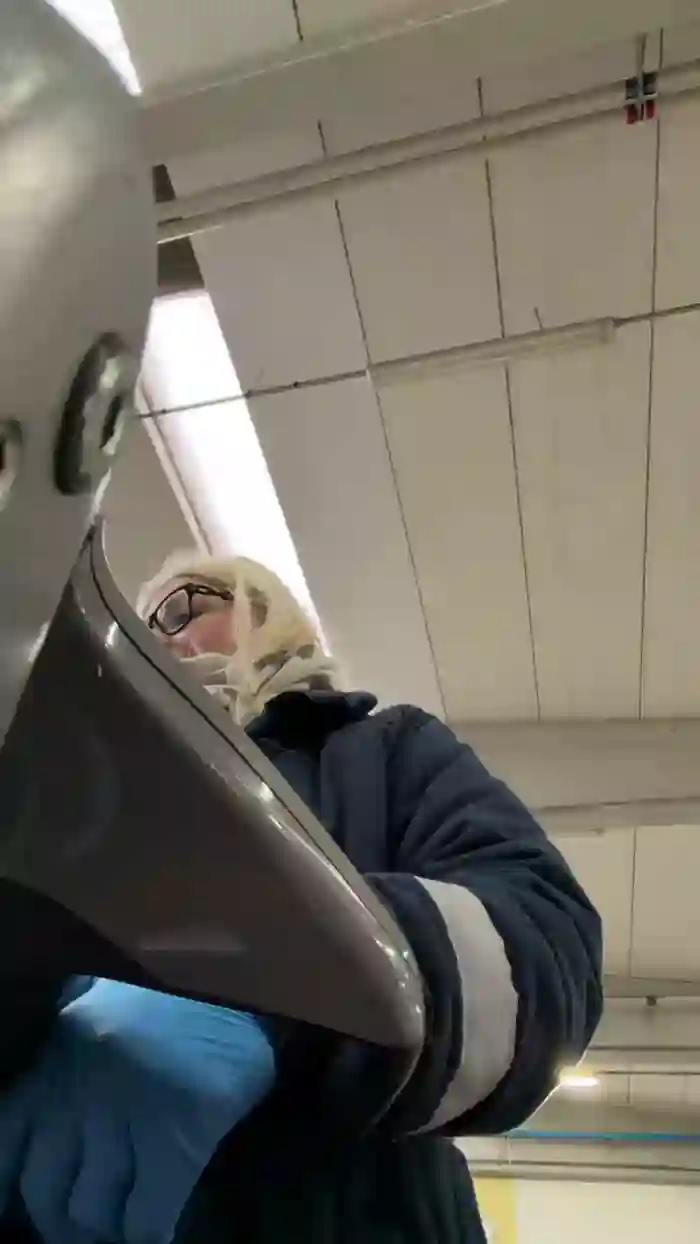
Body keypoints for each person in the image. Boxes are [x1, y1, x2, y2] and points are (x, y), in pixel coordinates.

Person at [0, 551, 603, 1244]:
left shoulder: (379, 751)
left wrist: (275, 994)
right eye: (140, 626)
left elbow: (543, 956)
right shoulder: (77, 807)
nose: (157, 637)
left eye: (182, 607)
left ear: (263, 611)